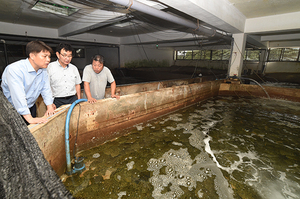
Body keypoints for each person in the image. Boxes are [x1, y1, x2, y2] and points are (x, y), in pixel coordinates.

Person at [1, 40, 55, 125]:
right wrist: (29, 119)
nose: (48, 60)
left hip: (30, 106)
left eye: (49, 56)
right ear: (32, 55)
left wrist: (49, 106)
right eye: (44, 56)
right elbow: (19, 96)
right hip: (11, 110)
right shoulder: (15, 70)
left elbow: (46, 89)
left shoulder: (43, 70)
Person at [47, 43, 82, 108]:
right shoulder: (50, 67)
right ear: (58, 54)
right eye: (64, 55)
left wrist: (79, 99)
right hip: (57, 100)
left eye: (70, 56)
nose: (67, 58)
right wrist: (50, 103)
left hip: (72, 99)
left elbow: (77, 84)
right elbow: (46, 86)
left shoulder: (74, 68)